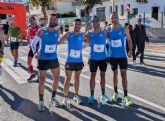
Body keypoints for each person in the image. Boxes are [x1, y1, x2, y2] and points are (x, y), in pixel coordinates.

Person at [31, 14, 60, 112]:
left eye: (54, 19)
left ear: (56, 21)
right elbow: (33, 43)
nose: (52, 20)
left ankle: (53, 98)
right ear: (48, 20)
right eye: (51, 19)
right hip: (43, 58)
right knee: (42, 80)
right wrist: (35, 52)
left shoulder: (58, 31)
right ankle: (41, 102)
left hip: (54, 58)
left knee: (56, 78)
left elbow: (57, 41)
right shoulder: (42, 31)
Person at [107, 12, 133, 106]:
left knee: (123, 75)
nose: (113, 19)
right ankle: (115, 93)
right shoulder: (108, 29)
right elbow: (102, 40)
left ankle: (126, 96)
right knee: (114, 74)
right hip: (113, 56)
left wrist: (130, 51)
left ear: (118, 18)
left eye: (114, 17)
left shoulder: (124, 28)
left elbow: (129, 40)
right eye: (111, 18)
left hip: (122, 56)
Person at [58, 19, 85, 106]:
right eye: (75, 24)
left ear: (81, 26)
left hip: (79, 61)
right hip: (69, 61)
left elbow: (90, 41)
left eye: (79, 24)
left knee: (77, 79)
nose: (77, 26)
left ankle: (76, 95)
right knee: (67, 79)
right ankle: (65, 97)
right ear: (73, 25)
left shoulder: (82, 34)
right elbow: (60, 42)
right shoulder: (69, 34)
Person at [85, 16, 109, 104]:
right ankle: (91, 95)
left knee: (103, 75)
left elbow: (110, 39)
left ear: (99, 22)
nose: (95, 23)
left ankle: (103, 94)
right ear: (91, 23)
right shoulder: (89, 33)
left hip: (103, 58)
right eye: (93, 22)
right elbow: (86, 42)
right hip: (93, 58)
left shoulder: (104, 31)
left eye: (97, 21)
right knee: (93, 76)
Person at [27, 17, 40, 81]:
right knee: (29, 61)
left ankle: (39, 76)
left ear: (35, 20)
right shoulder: (29, 28)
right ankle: (32, 74)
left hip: (38, 47)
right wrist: (29, 44)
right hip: (32, 47)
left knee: (38, 62)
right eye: (30, 21)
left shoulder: (39, 28)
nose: (31, 22)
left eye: (32, 20)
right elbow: (28, 37)